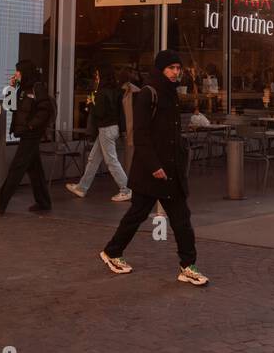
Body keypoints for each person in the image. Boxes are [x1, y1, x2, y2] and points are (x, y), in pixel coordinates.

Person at [100, 50, 208, 286]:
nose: (176, 72)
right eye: (171, 68)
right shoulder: (148, 94)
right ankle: (112, 252)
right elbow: (141, 135)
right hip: (154, 172)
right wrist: (154, 166)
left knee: (180, 219)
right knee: (138, 215)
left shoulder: (171, 94)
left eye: (178, 68)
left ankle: (187, 265)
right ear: (161, 69)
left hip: (170, 170)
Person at [0, 59, 55, 215]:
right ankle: (43, 202)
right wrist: (12, 87)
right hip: (26, 134)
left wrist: (31, 125)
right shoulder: (22, 89)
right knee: (35, 169)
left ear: (25, 72)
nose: (16, 74)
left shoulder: (37, 88)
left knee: (17, 168)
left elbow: (45, 110)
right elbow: (9, 106)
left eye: (18, 71)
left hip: (31, 134)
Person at [66, 65, 131, 202]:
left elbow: (100, 113)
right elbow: (121, 113)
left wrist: (91, 103)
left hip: (105, 129)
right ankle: (82, 188)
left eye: (97, 75)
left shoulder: (100, 93)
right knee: (93, 159)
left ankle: (126, 189)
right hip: (114, 128)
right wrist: (123, 130)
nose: (96, 77)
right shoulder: (117, 91)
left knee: (111, 161)